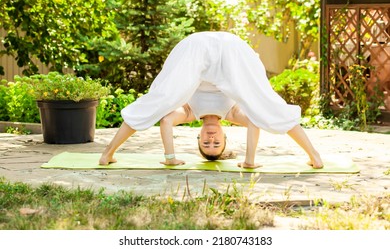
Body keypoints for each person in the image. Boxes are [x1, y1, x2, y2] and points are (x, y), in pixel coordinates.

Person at [99, 31, 324, 169]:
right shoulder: (232, 114)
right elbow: (255, 120)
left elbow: (166, 121)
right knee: (265, 106)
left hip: (195, 47)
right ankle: (315, 156)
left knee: (159, 100)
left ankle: (107, 153)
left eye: (206, 144)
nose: (211, 139)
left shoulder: (189, 113)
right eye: (217, 143)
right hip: (232, 49)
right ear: (225, 136)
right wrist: (249, 161)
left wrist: (170, 157)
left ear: (198, 137)